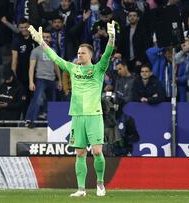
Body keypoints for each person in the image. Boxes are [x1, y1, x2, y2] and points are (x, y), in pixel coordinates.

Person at [28, 20, 115, 196]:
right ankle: (81, 189)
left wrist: (111, 38)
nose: (79, 55)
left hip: (94, 115)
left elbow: (107, 54)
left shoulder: (98, 69)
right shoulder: (72, 68)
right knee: (80, 152)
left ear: (89, 55)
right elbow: (55, 58)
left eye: (82, 53)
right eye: (78, 52)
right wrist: (41, 43)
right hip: (77, 115)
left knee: (97, 151)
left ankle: (99, 184)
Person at [24, 29, 62, 128]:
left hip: (52, 79)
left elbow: (56, 66)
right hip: (40, 78)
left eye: (47, 37)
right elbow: (31, 67)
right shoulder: (36, 51)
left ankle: (51, 123)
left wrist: (60, 80)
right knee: (37, 99)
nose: (46, 39)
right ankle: (30, 121)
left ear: (50, 38)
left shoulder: (53, 51)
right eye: (44, 37)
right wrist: (31, 82)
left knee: (51, 102)